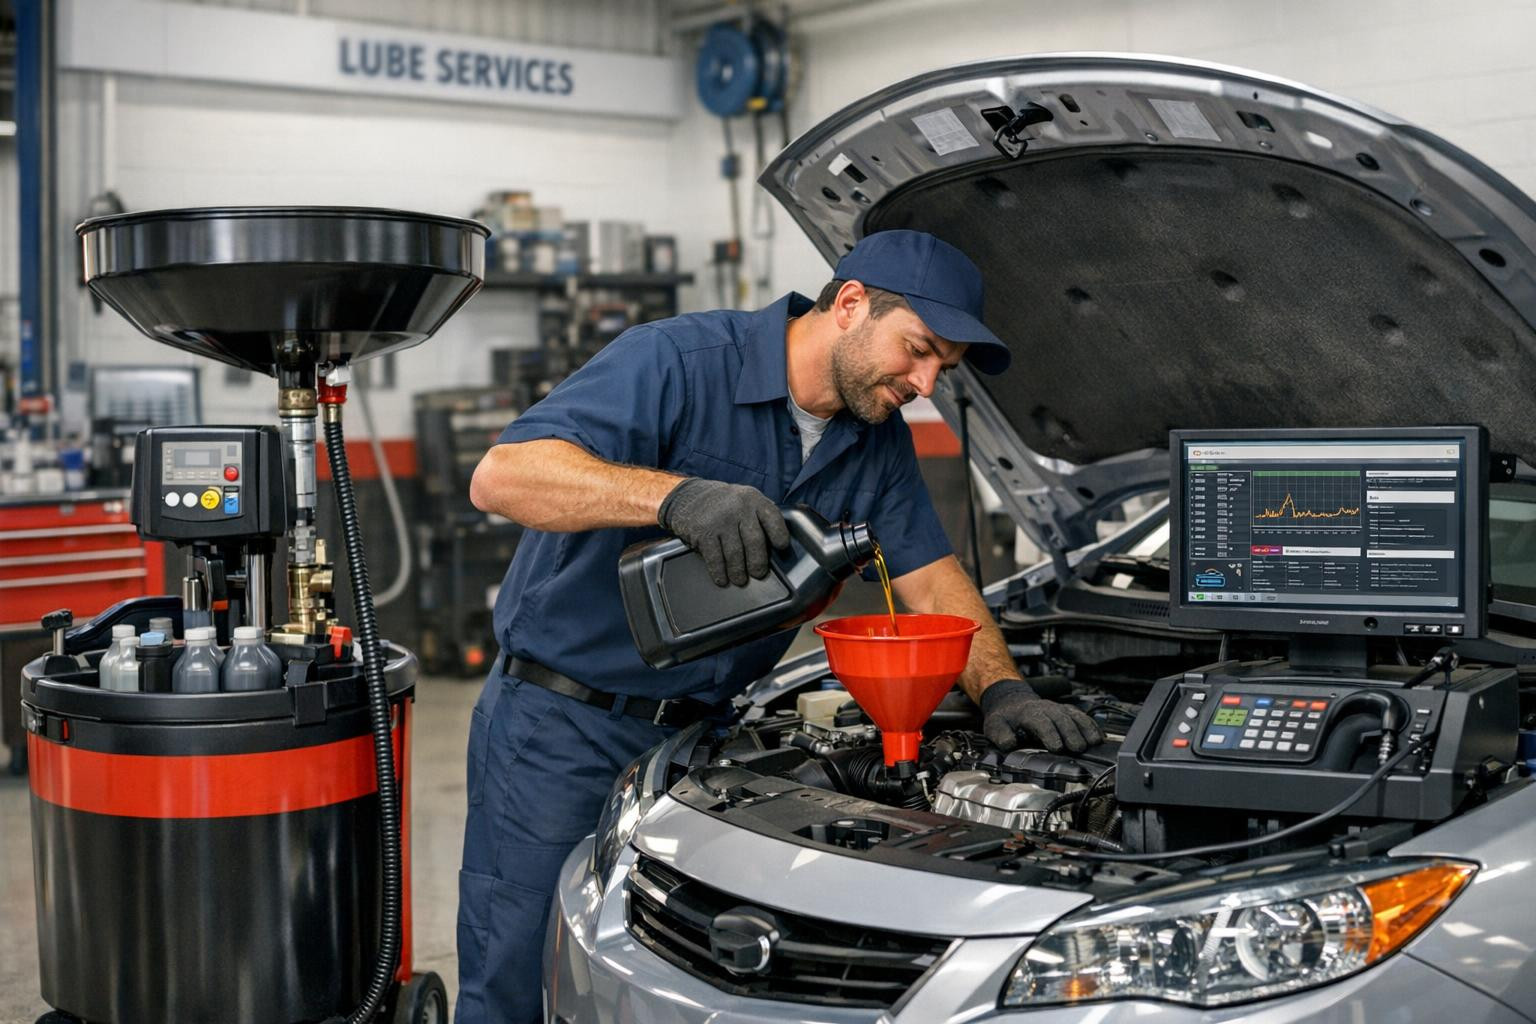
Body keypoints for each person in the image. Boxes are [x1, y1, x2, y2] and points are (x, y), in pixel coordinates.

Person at [455, 229, 1103, 1023]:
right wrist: (674, 498)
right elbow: (503, 477)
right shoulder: (677, 361)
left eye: (943, 369)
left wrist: (1002, 688)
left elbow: (929, 575)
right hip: (561, 729)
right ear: (852, 304)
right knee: (520, 977)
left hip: (702, 746)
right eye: (918, 350)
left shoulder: (876, 442)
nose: (926, 381)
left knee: (661, 981)